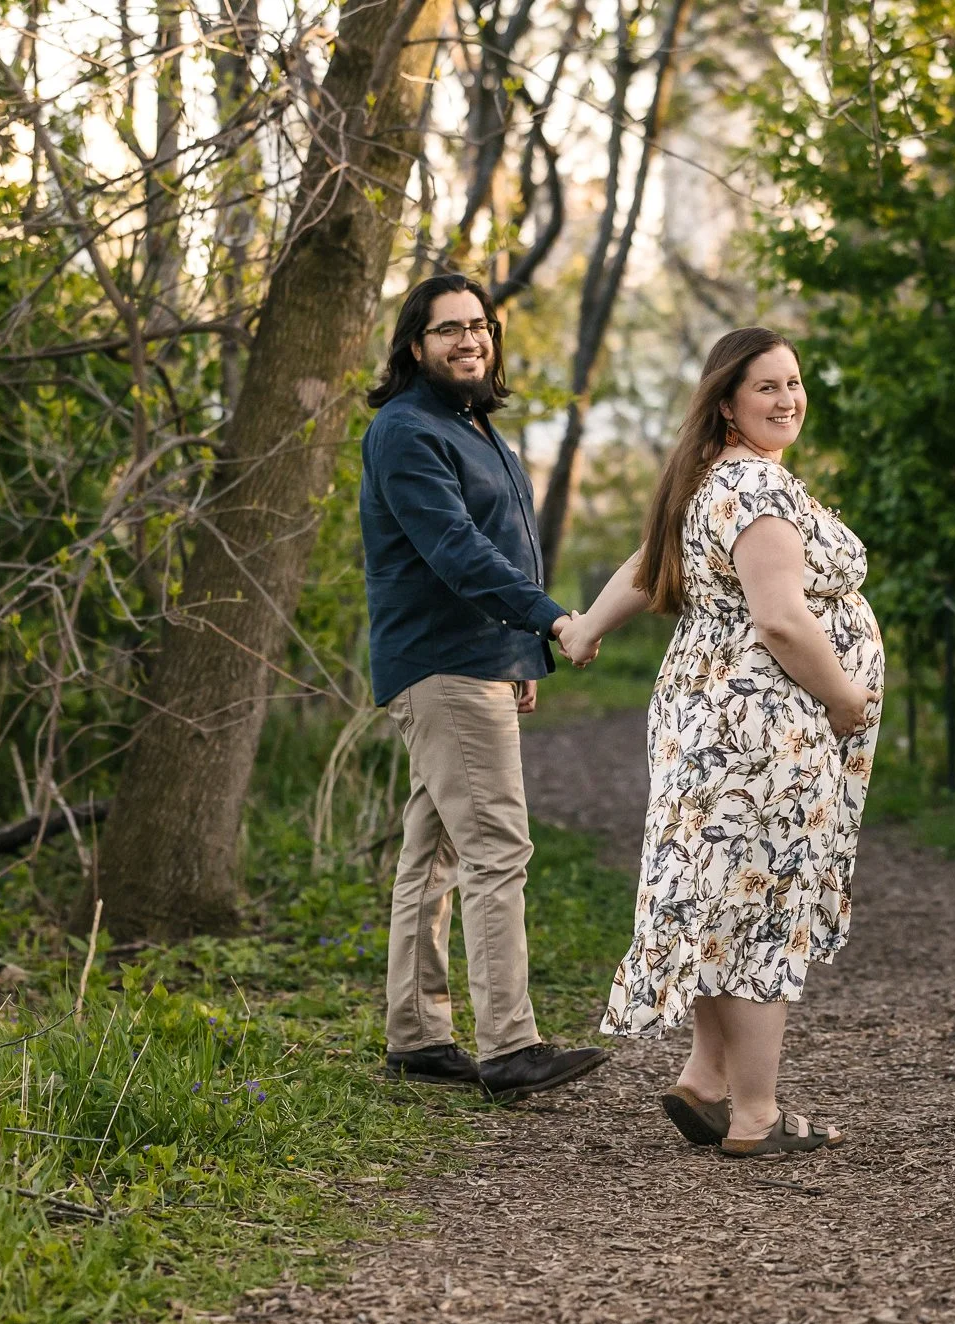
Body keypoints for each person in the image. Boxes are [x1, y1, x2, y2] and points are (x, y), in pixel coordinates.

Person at [559, 327, 882, 1156]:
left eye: (795, 382)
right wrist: (845, 698)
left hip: (710, 719)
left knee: (720, 900)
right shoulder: (757, 491)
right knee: (758, 906)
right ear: (727, 402)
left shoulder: (711, 482)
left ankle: (707, 1081)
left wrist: (587, 628)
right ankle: (757, 1114)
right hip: (762, 725)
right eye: (767, 387)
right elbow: (781, 616)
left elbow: (646, 565)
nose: (789, 399)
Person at [359, 272, 607, 1102]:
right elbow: (457, 552)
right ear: (414, 345)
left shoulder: (471, 425)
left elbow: (504, 541)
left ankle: (418, 1035)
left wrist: (519, 654)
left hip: (474, 661)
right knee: (497, 849)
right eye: (448, 329)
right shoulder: (406, 431)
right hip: (442, 662)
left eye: (479, 327)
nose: (469, 340)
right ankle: (509, 1044)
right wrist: (551, 619)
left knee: (431, 855)